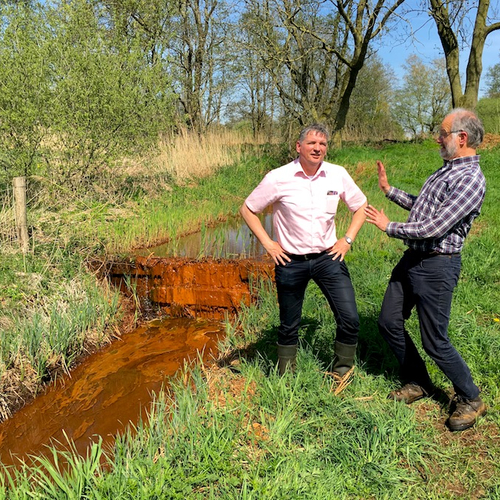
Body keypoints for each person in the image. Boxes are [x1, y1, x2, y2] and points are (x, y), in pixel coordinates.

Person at [365, 108, 487, 432]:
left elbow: (434, 227)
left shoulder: (471, 180)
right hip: (413, 260)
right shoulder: (447, 170)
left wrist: (387, 226)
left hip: (437, 266)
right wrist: (390, 191)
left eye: (443, 133)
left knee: (435, 341)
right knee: (388, 322)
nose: (438, 138)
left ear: (462, 139)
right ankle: (418, 381)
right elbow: (424, 207)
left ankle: (471, 397)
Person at [240, 124, 367, 378]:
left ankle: (342, 371)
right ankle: (286, 377)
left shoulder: (337, 174)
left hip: (328, 258)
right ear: (298, 147)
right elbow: (248, 209)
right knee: (289, 324)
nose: (317, 148)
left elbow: (361, 206)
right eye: (311, 143)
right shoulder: (278, 177)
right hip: (290, 261)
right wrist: (269, 244)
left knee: (350, 317)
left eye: (322, 144)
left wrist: (347, 240)